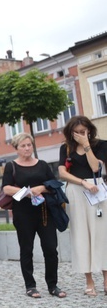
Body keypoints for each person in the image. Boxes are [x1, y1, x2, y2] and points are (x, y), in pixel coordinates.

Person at [2, 132, 66, 299]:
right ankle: (30, 285)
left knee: (51, 249)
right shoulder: (12, 166)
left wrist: (41, 189)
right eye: (23, 146)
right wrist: (27, 192)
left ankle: (53, 285)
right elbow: (6, 188)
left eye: (29, 145)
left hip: (44, 212)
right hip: (23, 213)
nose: (27, 148)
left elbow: (54, 185)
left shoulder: (43, 165)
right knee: (27, 249)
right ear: (16, 148)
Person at [57, 116, 107, 297]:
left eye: (83, 131)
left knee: (101, 234)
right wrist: (82, 183)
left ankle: (106, 277)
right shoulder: (66, 148)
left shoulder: (101, 145)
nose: (80, 134)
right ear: (71, 132)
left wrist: (86, 144)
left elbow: (96, 168)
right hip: (77, 191)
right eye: (76, 131)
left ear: (89, 130)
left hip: (97, 190)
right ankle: (89, 280)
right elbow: (62, 173)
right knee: (81, 234)